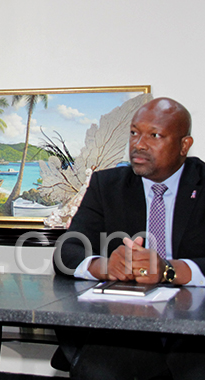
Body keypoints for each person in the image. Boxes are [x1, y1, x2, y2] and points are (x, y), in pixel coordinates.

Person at [55, 97, 205, 379]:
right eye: (134, 133)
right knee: (96, 371)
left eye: (154, 135)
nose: (139, 144)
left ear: (184, 145)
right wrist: (105, 266)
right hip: (127, 330)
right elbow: (67, 250)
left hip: (196, 332)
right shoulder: (107, 185)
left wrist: (168, 270)